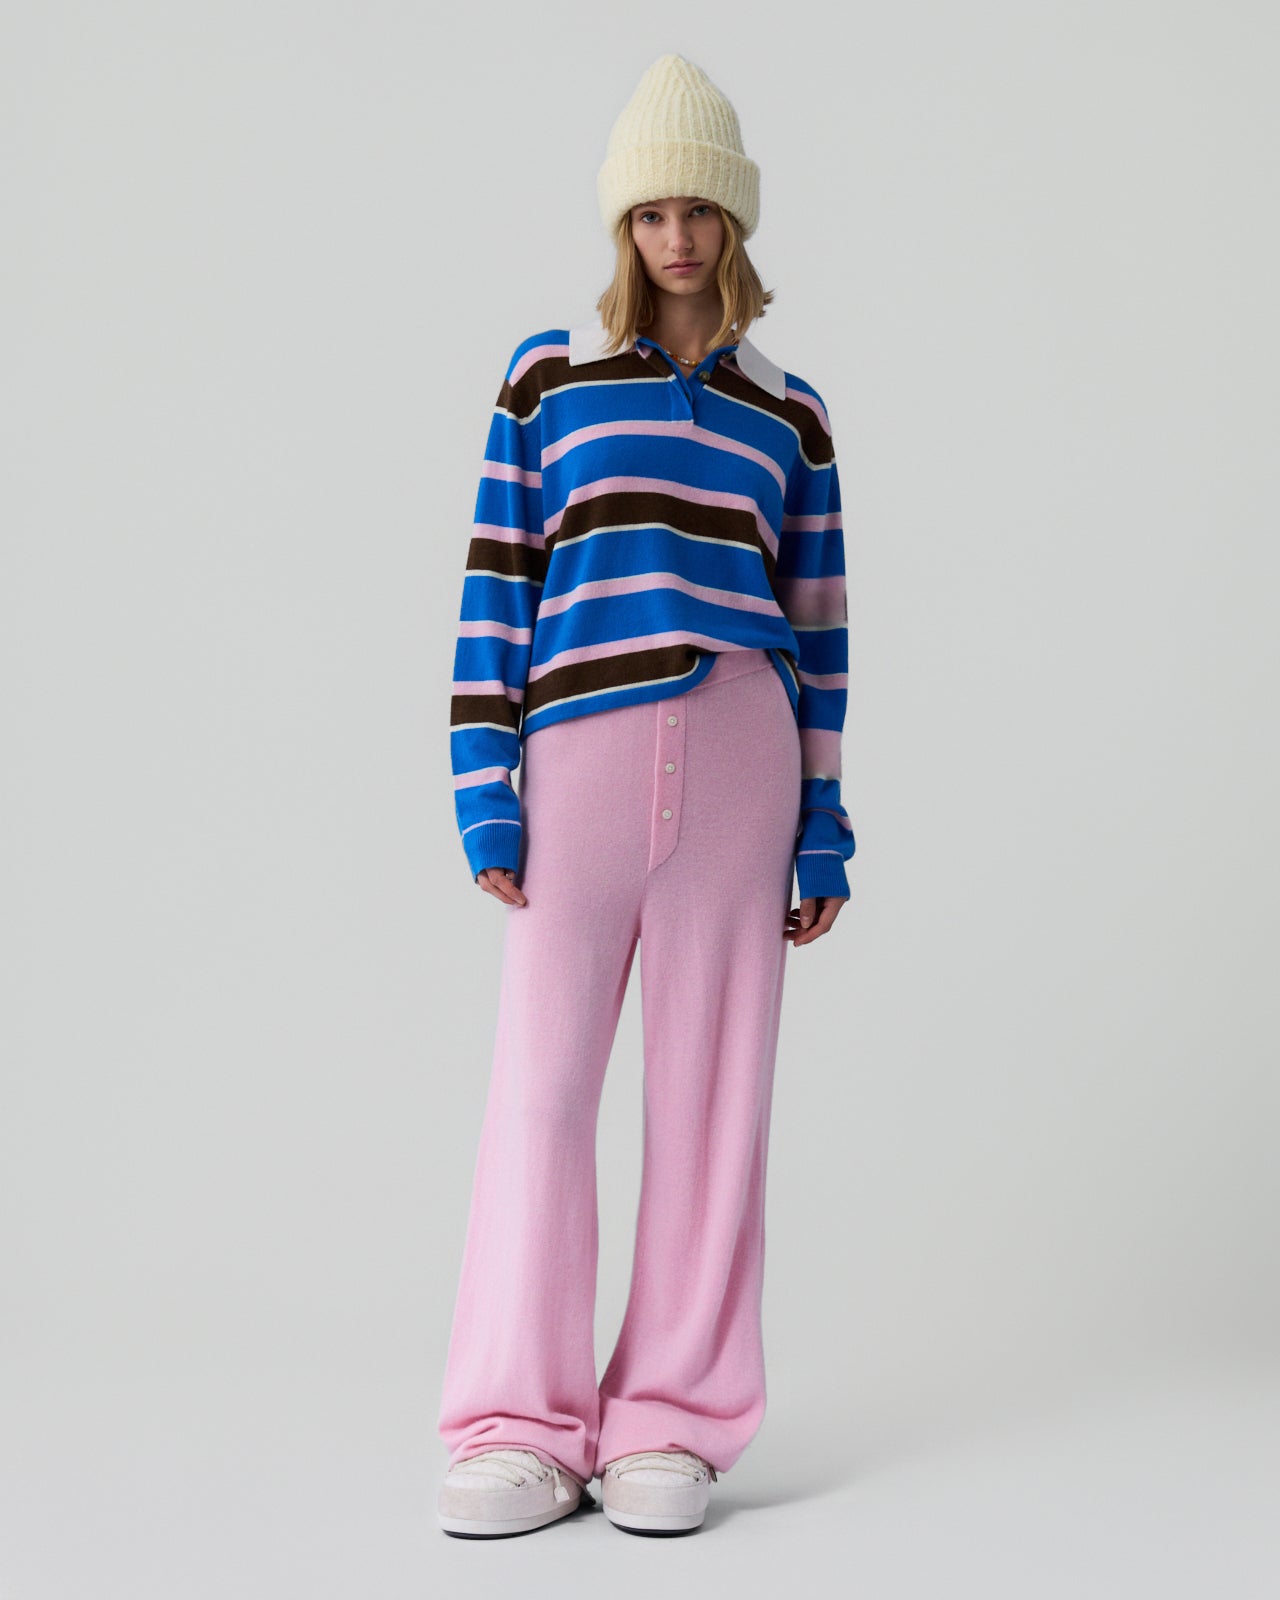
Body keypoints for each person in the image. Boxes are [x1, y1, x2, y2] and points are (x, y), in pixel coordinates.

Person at [437, 52, 856, 1540]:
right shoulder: (548, 376)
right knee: (543, 1095)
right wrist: (485, 789)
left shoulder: (789, 414)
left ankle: (671, 1417)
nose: (676, 237)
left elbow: (819, 624)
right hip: (581, 762)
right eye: (651, 213)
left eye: (700, 211)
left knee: (712, 1103)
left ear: (736, 223)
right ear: (621, 225)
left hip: (744, 759)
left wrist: (824, 822)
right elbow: (498, 584)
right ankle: (519, 1422)